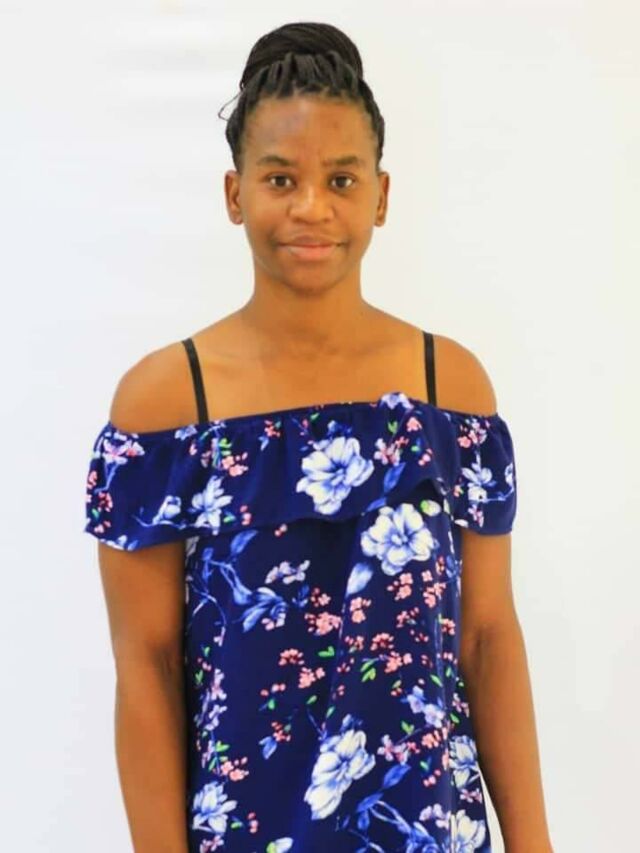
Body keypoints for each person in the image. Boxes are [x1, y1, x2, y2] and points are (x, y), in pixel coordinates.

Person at [83, 21, 553, 853]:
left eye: (341, 178)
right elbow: (145, 666)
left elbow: (486, 637)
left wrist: (535, 843)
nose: (311, 207)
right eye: (280, 178)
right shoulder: (165, 408)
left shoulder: (451, 393)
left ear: (381, 195)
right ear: (235, 194)